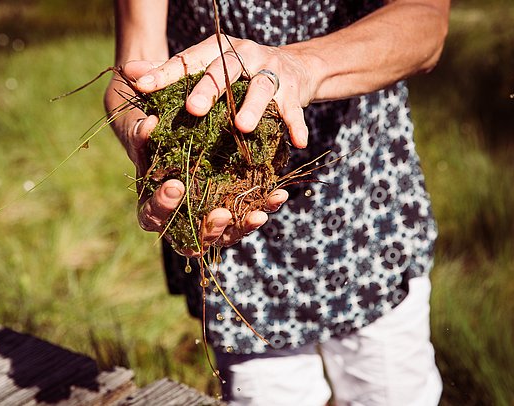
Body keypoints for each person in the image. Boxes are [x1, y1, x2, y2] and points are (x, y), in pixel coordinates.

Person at [105, 0, 450, 404]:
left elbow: (425, 22)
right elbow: (136, 62)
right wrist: (142, 130)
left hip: (365, 214)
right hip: (233, 232)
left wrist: (299, 66)